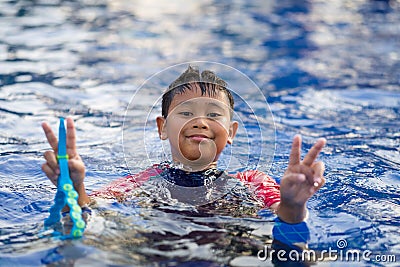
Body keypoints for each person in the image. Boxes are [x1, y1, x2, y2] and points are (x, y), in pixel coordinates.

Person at [41, 65, 326, 224]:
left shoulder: (253, 183)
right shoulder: (142, 182)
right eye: (186, 113)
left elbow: (285, 221)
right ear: (162, 128)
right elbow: (90, 211)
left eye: (213, 115)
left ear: (231, 132)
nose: (200, 122)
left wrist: (292, 203)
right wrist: (74, 184)